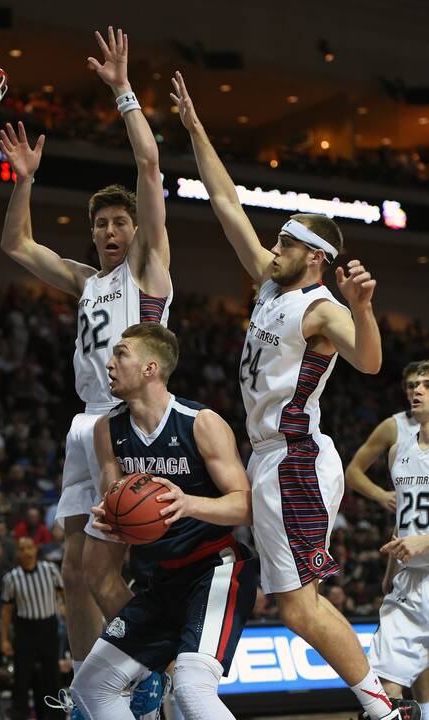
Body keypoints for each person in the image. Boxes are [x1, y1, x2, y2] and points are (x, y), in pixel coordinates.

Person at [170, 71, 405, 720]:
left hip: (294, 458)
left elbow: (370, 358)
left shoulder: (322, 307)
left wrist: (361, 308)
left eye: (282, 243)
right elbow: (224, 205)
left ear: (312, 257)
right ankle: (192, 676)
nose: (269, 248)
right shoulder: (273, 288)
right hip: (270, 457)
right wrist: (193, 128)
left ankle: (385, 712)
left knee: (298, 607)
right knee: (239, 564)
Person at [0, 24, 172, 711]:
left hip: (129, 421)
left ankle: (149, 661)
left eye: (117, 224)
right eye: (99, 224)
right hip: (83, 422)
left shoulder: (149, 270)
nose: (107, 232)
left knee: (106, 568)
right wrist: (24, 182)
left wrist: (123, 91)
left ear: (134, 230)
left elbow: (151, 169)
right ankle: (84, 690)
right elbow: (15, 242)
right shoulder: (85, 278)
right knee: (72, 572)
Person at [69, 323, 258, 720]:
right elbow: (115, 503)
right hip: (159, 580)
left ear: (150, 368)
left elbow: (246, 506)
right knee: (91, 686)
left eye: (121, 354)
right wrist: (109, 518)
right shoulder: (108, 429)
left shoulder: (200, 422)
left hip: (216, 569)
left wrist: (189, 504)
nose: (109, 363)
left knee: (192, 689)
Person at [366, 361, 429, 720]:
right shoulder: (398, 452)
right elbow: (403, 520)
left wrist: (426, 542)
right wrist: (393, 567)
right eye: (414, 385)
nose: (417, 391)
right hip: (410, 582)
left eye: (427, 385)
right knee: (382, 685)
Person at [1, 537, 63, 720]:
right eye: (22, 549)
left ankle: (54, 716)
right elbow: (5, 611)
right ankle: (19, 715)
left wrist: (65, 612)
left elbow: (64, 596)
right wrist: (4, 638)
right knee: (22, 677)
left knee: (51, 675)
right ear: (18, 553)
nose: (26, 552)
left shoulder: (51, 570)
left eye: (29, 547)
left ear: (36, 550)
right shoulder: (11, 578)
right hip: (24, 630)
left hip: (48, 627)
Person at [346, 361, 421, 511]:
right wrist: (381, 495)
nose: (416, 391)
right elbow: (352, 472)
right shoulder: (393, 426)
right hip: (408, 522)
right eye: (411, 386)